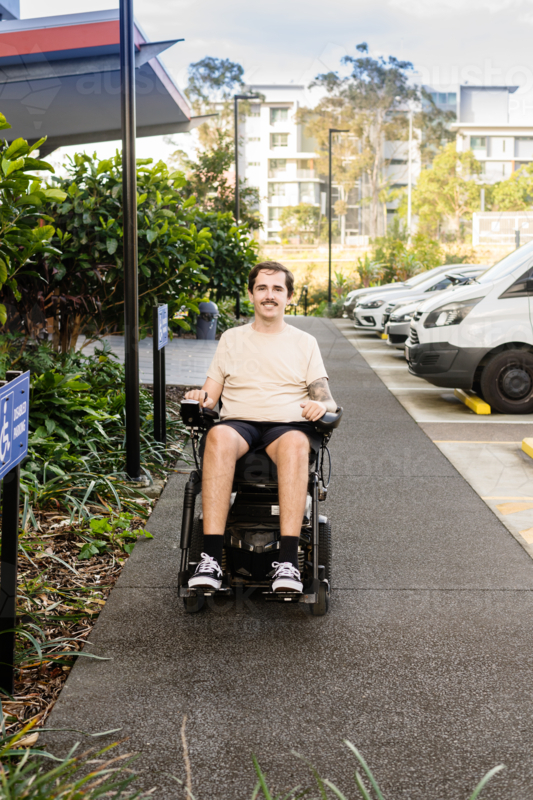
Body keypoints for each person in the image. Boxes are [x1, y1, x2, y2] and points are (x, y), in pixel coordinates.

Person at [184, 260, 336, 593]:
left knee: (295, 443)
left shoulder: (304, 342)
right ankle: (210, 560)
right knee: (218, 435)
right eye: (262, 288)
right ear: (251, 294)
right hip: (240, 423)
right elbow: (210, 395)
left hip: (287, 426)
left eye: (277, 289)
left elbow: (326, 399)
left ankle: (288, 564)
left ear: (289, 297)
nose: (269, 295)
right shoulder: (231, 339)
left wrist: (321, 406)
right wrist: (199, 398)